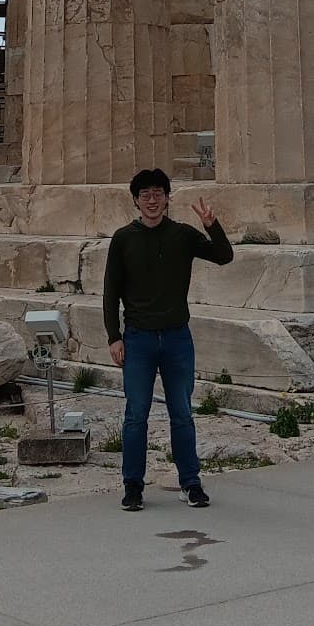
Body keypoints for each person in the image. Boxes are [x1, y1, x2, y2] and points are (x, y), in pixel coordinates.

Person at [103, 166, 234, 512]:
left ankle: (190, 483)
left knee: (182, 413)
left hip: (176, 337)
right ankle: (133, 486)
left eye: (158, 193)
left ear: (166, 198)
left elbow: (224, 256)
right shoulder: (122, 238)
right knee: (136, 415)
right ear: (135, 200)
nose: (151, 200)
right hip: (139, 339)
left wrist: (211, 225)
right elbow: (110, 291)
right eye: (145, 194)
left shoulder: (182, 235)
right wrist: (113, 337)